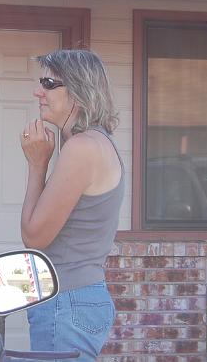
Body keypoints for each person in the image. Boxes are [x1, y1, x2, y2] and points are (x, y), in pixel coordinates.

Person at [19, 49, 122, 361]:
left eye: (49, 84)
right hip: (78, 297)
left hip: (67, 300)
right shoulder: (97, 142)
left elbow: (34, 236)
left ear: (79, 91)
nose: (39, 92)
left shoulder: (82, 148)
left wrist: (37, 164)